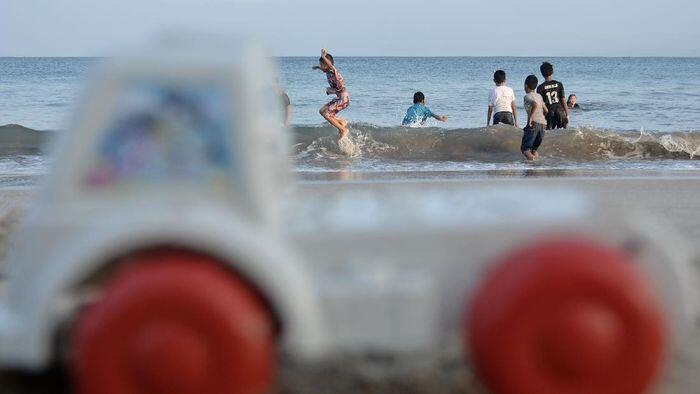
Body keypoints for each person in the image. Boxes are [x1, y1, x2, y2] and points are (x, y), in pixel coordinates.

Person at [312, 48, 350, 138]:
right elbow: (324, 69)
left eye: (322, 64)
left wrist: (323, 56)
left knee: (327, 114)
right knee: (322, 111)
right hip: (339, 98)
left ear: (327, 63)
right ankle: (342, 122)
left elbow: (330, 65)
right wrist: (317, 67)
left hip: (344, 99)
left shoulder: (334, 71)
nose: (320, 65)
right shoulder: (327, 72)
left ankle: (343, 129)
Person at [522, 75, 548, 161]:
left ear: (526, 86)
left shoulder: (527, 96)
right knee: (534, 150)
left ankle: (533, 164)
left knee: (525, 149)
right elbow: (546, 110)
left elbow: (534, 104)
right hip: (543, 125)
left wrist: (530, 118)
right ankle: (537, 166)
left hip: (533, 124)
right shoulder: (539, 96)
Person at [537, 62, 569, 129]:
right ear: (552, 72)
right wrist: (567, 114)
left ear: (542, 74)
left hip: (549, 113)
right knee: (564, 132)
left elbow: (541, 105)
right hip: (560, 112)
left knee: (548, 134)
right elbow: (563, 100)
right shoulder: (559, 84)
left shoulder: (540, 87)